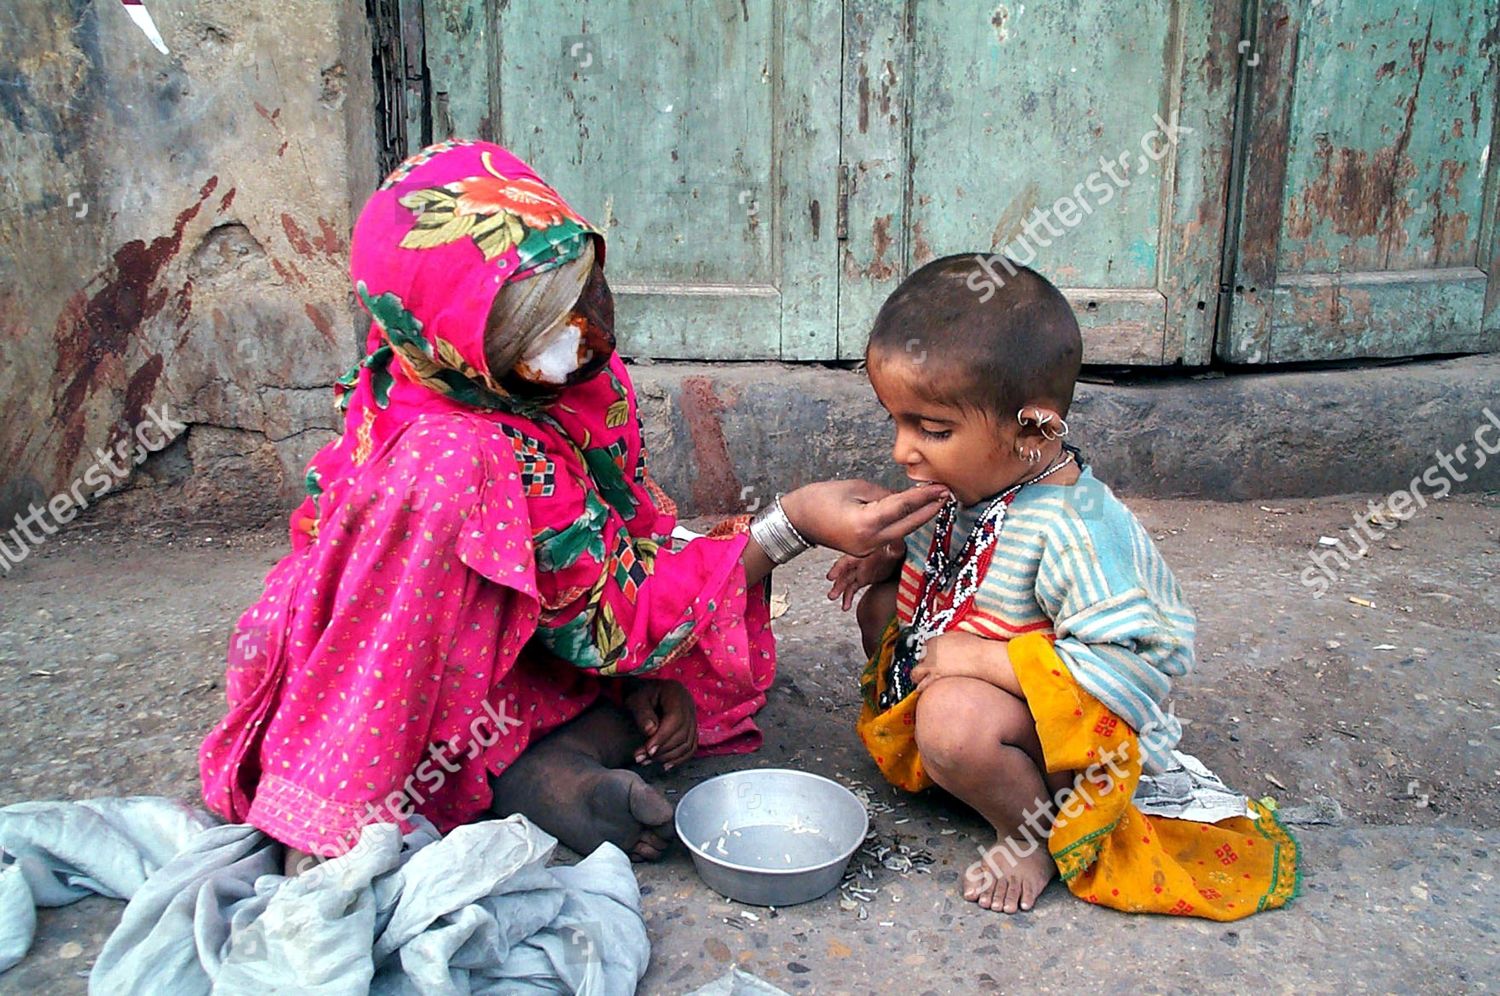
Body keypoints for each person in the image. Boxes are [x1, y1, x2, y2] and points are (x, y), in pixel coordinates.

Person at [198, 140, 949, 875]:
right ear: (457, 344)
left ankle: (549, 765)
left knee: (697, 664)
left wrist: (642, 676)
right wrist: (791, 525)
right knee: (665, 623)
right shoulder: (444, 452)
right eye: (533, 336)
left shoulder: (563, 373)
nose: (580, 342)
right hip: (395, 685)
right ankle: (349, 813)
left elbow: (620, 544)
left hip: (536, 634)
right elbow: (603, 616)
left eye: (587, 293)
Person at [827, 255, 1298, 919]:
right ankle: (973, 774)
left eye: (934, 430)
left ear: (1035, 428)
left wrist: (983, 660)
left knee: (955, 722)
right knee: (881, 610)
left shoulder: (1076, 531)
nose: (905, 451)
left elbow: (1142, 662)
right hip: (995, 694)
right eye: (897, 423)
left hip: (1073, 743)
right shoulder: (982, 483)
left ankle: (1032, 836)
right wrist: (889, 563)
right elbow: (962, 575)